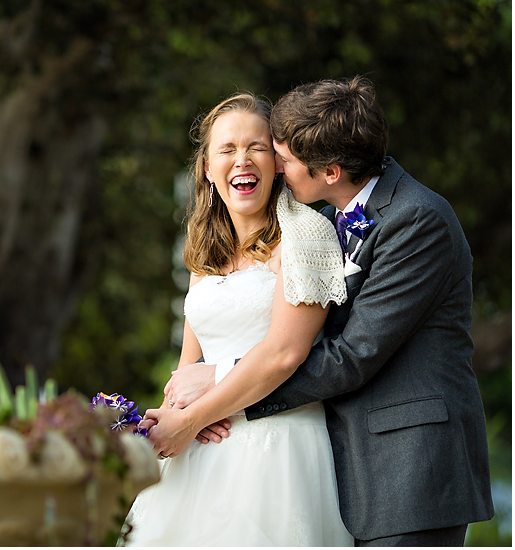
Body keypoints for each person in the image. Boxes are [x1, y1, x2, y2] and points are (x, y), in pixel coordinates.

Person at [165, 76, 494, 546]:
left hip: (410, 465)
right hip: (348, 463)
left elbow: (352, 354)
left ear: (331, 171)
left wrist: (218, 385)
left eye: (284, 157)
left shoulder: (417, 219)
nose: (275, 166)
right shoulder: (334, 219)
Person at [122, 92, 354, 546]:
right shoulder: (202, 251)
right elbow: (187, 367)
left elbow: (285, 354)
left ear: (278, 163)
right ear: (208, 168)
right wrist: (168, 422)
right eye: (227, 149)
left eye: (257, 147)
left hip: (275, 449)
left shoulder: (307, 235)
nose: (241, 160)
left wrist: (194, 417)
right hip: (200, 449)